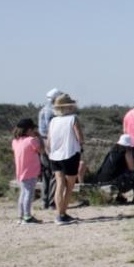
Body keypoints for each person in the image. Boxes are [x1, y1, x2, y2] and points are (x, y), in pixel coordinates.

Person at [46, 94, 84, 225]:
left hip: (55, 156)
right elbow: (80, 138)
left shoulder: (53, 121)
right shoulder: (73, 118)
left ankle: (59, 214)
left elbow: (49, 142)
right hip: (70, 154)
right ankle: (62, 214)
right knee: (69, 187)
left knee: (59, 184)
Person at [96, 134, 134, 204]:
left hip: (101, 181)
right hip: (113, 182)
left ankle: (119, 197)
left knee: (120, 174)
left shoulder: (112, 151)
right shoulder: (126, 151)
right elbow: (132, 168)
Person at [12, 118, 42, 224]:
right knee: (29, 194)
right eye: (33, 129)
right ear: (29, 130)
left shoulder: (15, 141)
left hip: (20, 172)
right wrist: (38, 137)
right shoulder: (31, 140)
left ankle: (20, 216)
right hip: (31, 171)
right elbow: (41, 150)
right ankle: (27, 217)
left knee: (23, 193)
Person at [38, 88, 62, 209]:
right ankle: (52, 201)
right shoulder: (51, 111)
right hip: (49, 142)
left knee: (46, 173)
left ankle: (45, 201)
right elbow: (51, 130)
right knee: (54, 173)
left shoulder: (43, 110)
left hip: (43, 141)